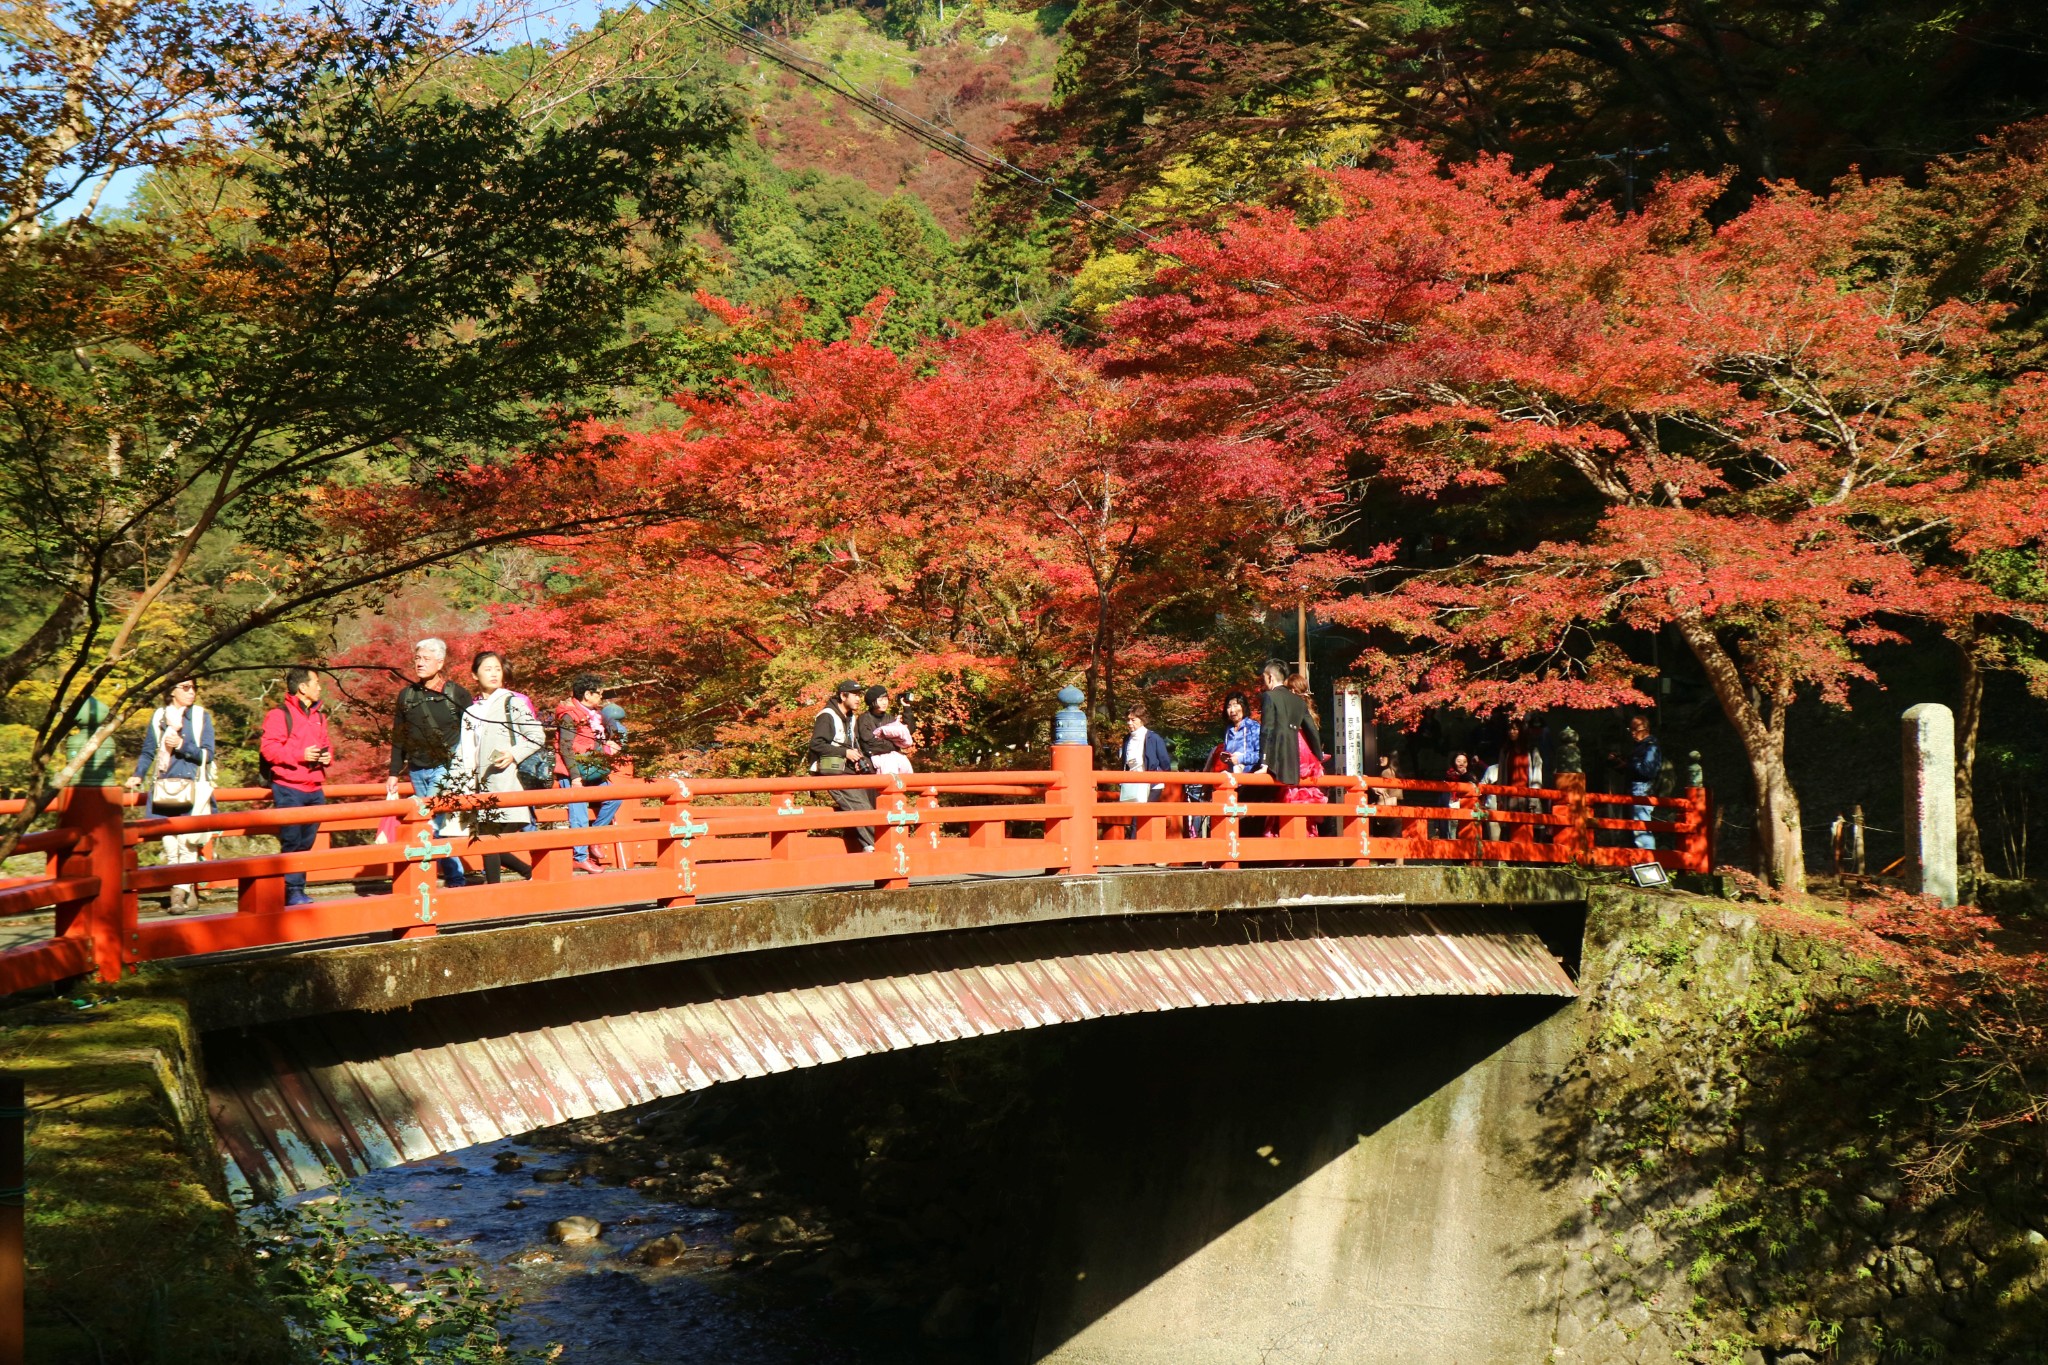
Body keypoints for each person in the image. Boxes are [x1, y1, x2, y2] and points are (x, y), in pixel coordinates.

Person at [384, 637, 471, 888]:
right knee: (435, 823)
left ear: (440, 662)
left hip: (446, 767)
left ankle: (424, 877)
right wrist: (393, 772)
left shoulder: (456, 694)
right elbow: (399, 734)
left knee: (431, 820)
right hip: (416, 768)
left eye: (425, 659)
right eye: (417, 658)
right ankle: (455, 877)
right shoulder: (407, 695)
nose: (419, 663)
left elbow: (472, 730)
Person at [453, 651, 544, 884]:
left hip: (506, 782)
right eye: (487, 669)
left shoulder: (511, 702)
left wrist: (513, 754)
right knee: (485, 838)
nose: (494, 673)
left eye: (497, 668)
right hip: (478, 786)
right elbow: (465, 751)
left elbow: (536, 735)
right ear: (475, 675)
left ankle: (496, 888)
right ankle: (527, 873)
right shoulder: (471, 711)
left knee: (487, 838)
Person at [127, 678, 216, 912]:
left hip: (191, 786)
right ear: (172, 692)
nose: (191, 692)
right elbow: (149, 750)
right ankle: (187, 892)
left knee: (187, 844)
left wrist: (181, 745)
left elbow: (208, 754)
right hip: (164, 787)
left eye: (194, 687)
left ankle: (178, 895)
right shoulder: (159, 717)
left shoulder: (199, 716)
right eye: (186, 687)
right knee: (169, 845)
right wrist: (138, 774)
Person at [259, 666, 331, 907]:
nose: (320, 687)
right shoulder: (279, 715)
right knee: (291, 841)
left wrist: (326, 757)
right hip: (289, 787)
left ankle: (296, 888)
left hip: (314, 787)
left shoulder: (319, 716)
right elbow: (269, 750)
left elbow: (325, 744)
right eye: (316, 683)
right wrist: (300, 755)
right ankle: (291, 891)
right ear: (303, 687)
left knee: (306, 843)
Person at [555, 675, 621, 874]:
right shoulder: (569, 715)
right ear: (587, 694)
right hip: (573, 770)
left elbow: (592, 740)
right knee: (579, 813)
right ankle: (580, 857)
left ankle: (593, 838)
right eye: (599, 693)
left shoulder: (594, 714)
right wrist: (574, 776)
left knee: (614, 799)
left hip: (592, 769)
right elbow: (565, 747)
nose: (601, 697)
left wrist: (607, 744)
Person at [810, 680, 875, 852]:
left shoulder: (851, 717)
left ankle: (865, 845)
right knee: (861, 808)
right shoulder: (827, 716)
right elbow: (816, 744)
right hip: (832, 770)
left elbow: (852, 744)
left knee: (869, 804)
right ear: (842, 695)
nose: (858, 699)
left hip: (848, 769)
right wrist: (845, 753)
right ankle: (874, 846)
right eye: (855, 695)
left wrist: (858, 758)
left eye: (859, 695)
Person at [1255, 662, 1322, 830]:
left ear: (1270, 678)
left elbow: (1267, 730)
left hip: (1276, 758)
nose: (1264, 682)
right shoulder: (1298, 701)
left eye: (1264, 678)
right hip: (1296, 758)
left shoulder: (1269, 697)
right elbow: (1312, 730)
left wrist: (1264, 762)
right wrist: (1318, 756)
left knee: (1263, 797)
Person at [1608, 715, 1663, 852]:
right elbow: (1632, 769)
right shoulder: (1638, 747)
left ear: (1646, 729)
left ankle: (1648, 864)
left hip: (1642, 790)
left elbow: (1647, 770)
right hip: (1631, 790)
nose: (1633, 733)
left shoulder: (1651, 746)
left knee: (1641, 829)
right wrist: (1619, 762)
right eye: (1630, 729)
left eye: (1636, 729)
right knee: (1631, 829)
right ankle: (1636, 865)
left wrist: (1630, 763)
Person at [1281, 672, 1330, 821]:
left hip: (1297, 753)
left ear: (1292, 691)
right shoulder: (1308, 711)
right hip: (1309, 757)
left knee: (1292, 795)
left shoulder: (1292, 710)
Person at [1117, 703, 1172, 832]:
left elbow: (1165, 763)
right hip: (1133, 782)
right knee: (1134, 817)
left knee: (1140, 817)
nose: (1129, 723)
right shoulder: (1127, 739)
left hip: (1151, 784)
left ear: (1142, 720)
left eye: (1133, 720)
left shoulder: (1153, 738)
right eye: (1127, 720)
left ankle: (1135, 846)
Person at [857, 686, 916, 776]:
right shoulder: (864, 719)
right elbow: (869, 742)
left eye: (886, 699)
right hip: (872, 763)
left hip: (892, 760)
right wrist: (893, 746)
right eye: (881, 700)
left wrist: (907, 708)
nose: (884, 703)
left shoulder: (889, 718)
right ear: (872, 702)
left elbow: (907, 732)